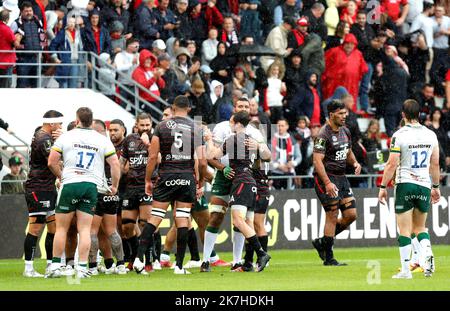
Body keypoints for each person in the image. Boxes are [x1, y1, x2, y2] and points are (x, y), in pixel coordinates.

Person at [133, 95, 207, 275]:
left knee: (154, 218)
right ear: (189, 109)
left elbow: (152, 156)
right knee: (182, 219)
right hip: (186, 177)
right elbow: (203, 162)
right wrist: (201, 182)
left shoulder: (161, 126)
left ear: (173, 108)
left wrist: (147, 180)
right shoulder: (195, 128)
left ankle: (138, 259)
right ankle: (179, 266)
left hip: (166, 176)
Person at [46, 107, 120, 279]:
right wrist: (114, 186)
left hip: (71, 183)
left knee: (62, 228)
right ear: (92, 122)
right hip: (90, 186)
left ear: (77, 120)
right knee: (85, 229)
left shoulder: (66, 136)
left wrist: (61, 176)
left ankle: (56, 266)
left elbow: (51, 162)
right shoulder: (101, 139)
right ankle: (81, 267)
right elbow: (115, 164)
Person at [200, 97, 271, 272]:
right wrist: (222, 168)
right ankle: (206, 259)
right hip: (230, 176)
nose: (244, 108)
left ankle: (242, 259)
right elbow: (212, 158)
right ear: (234, 109)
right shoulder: (222, 127)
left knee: (240, 221)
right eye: (241, 106)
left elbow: (267, 155)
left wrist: (259, 147)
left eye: (247, 106)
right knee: (219, 217)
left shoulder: (250, 133)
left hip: (241, 179)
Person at [378, 99, 439, 279]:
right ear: (419, 114)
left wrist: (383, 186)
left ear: (403, 114)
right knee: (420, 227)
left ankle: (406, 271)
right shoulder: (430, 135)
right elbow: (435, 163)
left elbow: (391, 164)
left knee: (404, 230)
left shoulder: (400, 135)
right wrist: (435, 186)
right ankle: (427, 256)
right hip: (423, 184)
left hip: (405, 184)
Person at [311, 100, 362, 266]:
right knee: (332, 215)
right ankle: (329, 257)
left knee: (351, 215)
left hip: (342, 178)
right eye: (340, 113)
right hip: (326, 178)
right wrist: (327, 183)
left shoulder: (345, 131)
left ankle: (322, 242)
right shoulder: (322, 135)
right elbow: (317, 161)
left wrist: (354, 163)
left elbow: (348, 151)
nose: (344, 116)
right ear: (331, 114)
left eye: (345, 113)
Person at [22, 110, 63, 277]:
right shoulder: (43, 138)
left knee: (53, 228)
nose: (60, 126)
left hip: (47, 187)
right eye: (59, 123)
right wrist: (61, 139)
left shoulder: (43, 136)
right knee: (35, 227)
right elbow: (54, 160)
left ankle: (50, 266)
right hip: (38, 188)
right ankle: (29, 269)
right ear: (52, 124)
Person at [88, 119, 127, 275]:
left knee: (92, 231)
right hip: (111, 191)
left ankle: (92, 267)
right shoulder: (109, 144)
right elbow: (116, 165)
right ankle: (121, 265)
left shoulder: (92, 144)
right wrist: (115, 187)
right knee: (112, 230)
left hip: (96, 190)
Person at [120, 113, 154, 272]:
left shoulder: (156, 139)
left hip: (147, 186)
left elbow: (159, 159)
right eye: (142, 125)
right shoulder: (129, 140)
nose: (145, 128)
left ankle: (147, 260)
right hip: (130, 188)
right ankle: (134, 256)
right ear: (136, 125)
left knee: (145, 225)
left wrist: (148, 146)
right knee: (127, 226)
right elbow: (122, 163)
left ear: (151, 124)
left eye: (148, 125)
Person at [0, 10, 15, 88]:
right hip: (6, 61)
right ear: (7, 19)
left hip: (2, 62)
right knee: (6, 86)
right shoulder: (6, 29)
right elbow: (14, 42)